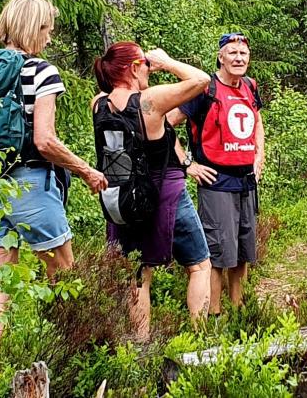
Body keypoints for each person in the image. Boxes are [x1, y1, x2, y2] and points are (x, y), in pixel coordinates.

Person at [0, 0, 111, 367]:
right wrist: (85, 169)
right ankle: (77, 361)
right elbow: (45, 140)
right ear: (32, 28)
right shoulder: (41, 71)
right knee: (64, 276)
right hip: (32, 185)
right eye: (46, 30)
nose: (49, 39)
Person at [92, 42, 215, 341]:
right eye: (145, 63)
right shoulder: (150, 101)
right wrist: (168, 61)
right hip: (165, 194)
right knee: (200, 265)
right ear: (134, 68)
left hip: (122, 199)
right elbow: (201, 81)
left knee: (137, 275)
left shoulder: (98, 103)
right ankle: (200, 339)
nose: (150, 67)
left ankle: (140, 344)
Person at [169, 32, 267, 313]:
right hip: (217, 182)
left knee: (243, 251)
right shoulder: (205, 90)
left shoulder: (249, 86)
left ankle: (238, 310)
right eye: (232, 54)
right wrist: (188, 165)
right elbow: (164, 124)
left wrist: (259, 153)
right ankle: (213, 314)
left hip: (246, 181)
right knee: (218, 252)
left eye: (243, 54)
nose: (238, 58)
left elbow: (257, 120)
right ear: (220, 57)